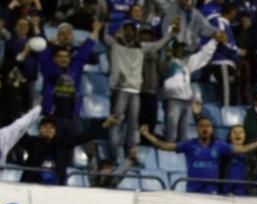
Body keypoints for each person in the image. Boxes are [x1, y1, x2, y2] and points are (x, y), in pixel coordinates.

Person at [104, 20, 179, 161]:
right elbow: (104, 37)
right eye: (126, 29)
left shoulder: (141, 48)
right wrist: (105, 23)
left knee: (133, 127)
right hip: (119, 90)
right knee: (116, 124)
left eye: (132, 30)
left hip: (135, 91)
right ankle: (113, 158)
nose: (129, 32)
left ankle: (130, 157)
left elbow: (160, 43)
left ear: (135, 33)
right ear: (122, 31)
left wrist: (171, 33)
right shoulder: (115, 45)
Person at [139, 117, 257, 194]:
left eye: (208, 126)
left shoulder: (220, 146)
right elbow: (164, 146)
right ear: (197, 129)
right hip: (193, 192)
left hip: (212, 193)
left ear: (212, 129)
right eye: (202, 126)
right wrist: (147, 135)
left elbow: (244, 149)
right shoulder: (189, 145)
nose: (205, 128)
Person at [13, 115, 118, 185]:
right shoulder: (32, 143)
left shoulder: (62, 144)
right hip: (31, 187)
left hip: (56, 189)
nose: (48, 129)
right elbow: (16, 132)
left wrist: (103, 126)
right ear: (39, 130)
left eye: (51, 127)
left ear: (55, 131)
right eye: (44, 127)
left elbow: (83, 137)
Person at [39, 21, 100, 138]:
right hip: (52, 116)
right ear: (55, 59)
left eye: (66, 57)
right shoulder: (48, 68)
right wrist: (37, 28)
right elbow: (43, 50)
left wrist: (95, 31)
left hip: (72, 117)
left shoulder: (75, 67)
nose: (64, 59)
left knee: (71, 146)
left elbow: (85, 49)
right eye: (60, 57)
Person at [162, 33, 222, 142]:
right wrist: (172, 33)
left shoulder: (187, 64)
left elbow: (203, 55)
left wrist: (214, 41)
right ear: (174, 49)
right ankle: (166, 152)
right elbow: (167, 50)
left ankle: (181, 153)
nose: (182, 51)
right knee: (171, 135)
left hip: (186, 101)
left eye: (184, 49)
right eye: (179, 48)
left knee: (183, 137)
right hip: (173, 100)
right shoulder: (168, 62)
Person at [220, 124, 257, 195]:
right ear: (229, 136)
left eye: (241, 132)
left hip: (247, 193)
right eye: (234, 132)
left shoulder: (253, 153)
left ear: (245, 136)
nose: (238, 134)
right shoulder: (223, 151)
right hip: (226, 193)